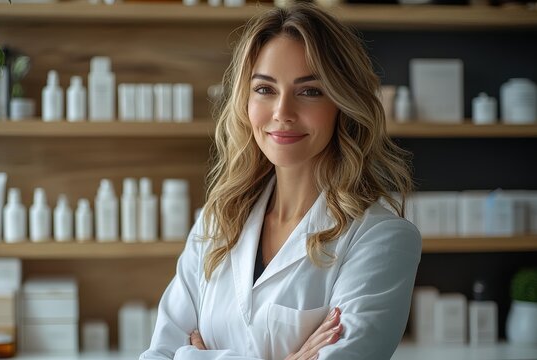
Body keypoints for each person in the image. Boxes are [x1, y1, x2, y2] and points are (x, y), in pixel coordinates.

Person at [140, 2, 421, 359]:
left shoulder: (381, 239)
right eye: (264, 89)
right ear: (245, 101)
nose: (282, 113)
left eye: (309, 91)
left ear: (343, 103)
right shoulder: (217, 221)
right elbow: (158, 354)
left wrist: (197, 356)